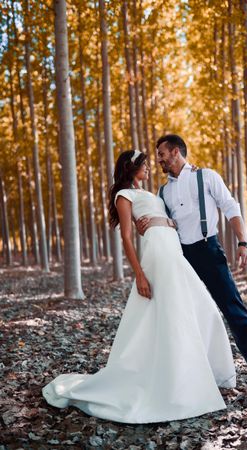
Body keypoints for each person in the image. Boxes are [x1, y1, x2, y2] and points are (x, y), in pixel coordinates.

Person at [42, 149, 236, 424]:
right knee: (174, 312)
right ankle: (181, 385)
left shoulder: (151, 192)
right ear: (132, 168)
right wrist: (140, 275)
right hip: (157, 252)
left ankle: (198, 373)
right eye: (144, 164)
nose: (149, 168)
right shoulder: (125, 195)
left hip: (172, 246)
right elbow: (126, 237)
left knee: (203, 308)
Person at [137, 134, 247, 402]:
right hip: (180, 257)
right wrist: (147, 222)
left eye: (162, 154)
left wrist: (243, 242)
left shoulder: (207, 176)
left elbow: (230, 207)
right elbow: (169, 224)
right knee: (184, 317)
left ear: (177, 152)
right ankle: (193, 380)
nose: (158, 159)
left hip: (208, 250)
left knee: (234, 312)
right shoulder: (163, 191)